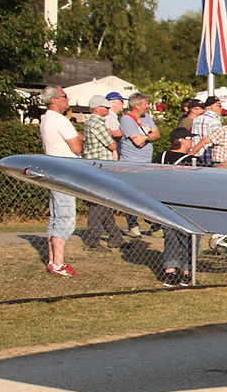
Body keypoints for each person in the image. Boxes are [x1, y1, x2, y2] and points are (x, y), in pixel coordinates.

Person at [38, 86, 83, 277]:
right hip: (65, 173)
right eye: (64, 96)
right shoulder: (60, 120)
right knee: (66, 219)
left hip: (53, 170)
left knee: (56, 218)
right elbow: (76, 146)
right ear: (54, 100)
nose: (68, 99)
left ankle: (53, 260)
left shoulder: (46, 119)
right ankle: (58, 263)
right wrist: (79, 137)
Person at [155, 129, 200, 286]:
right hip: (185, 203)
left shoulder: (160, 156)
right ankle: (188, 272)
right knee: (190, 237)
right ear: (182, 141)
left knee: (170, 236)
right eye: (189, 139)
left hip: (165, 202)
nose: (191, 142)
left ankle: (170, 272)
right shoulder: (191, 160)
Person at [80, 95, 125, 251]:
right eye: (105, 107)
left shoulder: (92, 123)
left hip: (96, 166)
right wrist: (116, 136)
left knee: (103, 202)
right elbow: (111, 145)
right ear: (97, 109)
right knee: (99, 204)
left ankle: (115, 236)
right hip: (99, 167)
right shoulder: (97, 123)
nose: (108, 109)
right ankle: (91, 241)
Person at [117, 93, 160, 235]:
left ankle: (155, 225)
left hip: (146, 163)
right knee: (131, 195)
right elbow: (138, 142)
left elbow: (157, 134)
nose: (147, 106)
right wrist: (148, 134)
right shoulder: (126, 119)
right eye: (145, 104)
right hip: (131, 164)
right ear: (136, 106)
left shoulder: (146, 117)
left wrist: (145, 135)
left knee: (150, 194)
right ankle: (132, 225)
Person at [190, 95, 223, 165]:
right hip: (209, 158)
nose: (221, 107)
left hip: (196, 157)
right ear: (211, 106)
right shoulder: (214, 120)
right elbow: (219, 140)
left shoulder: (197, 119)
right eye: (219, 105)